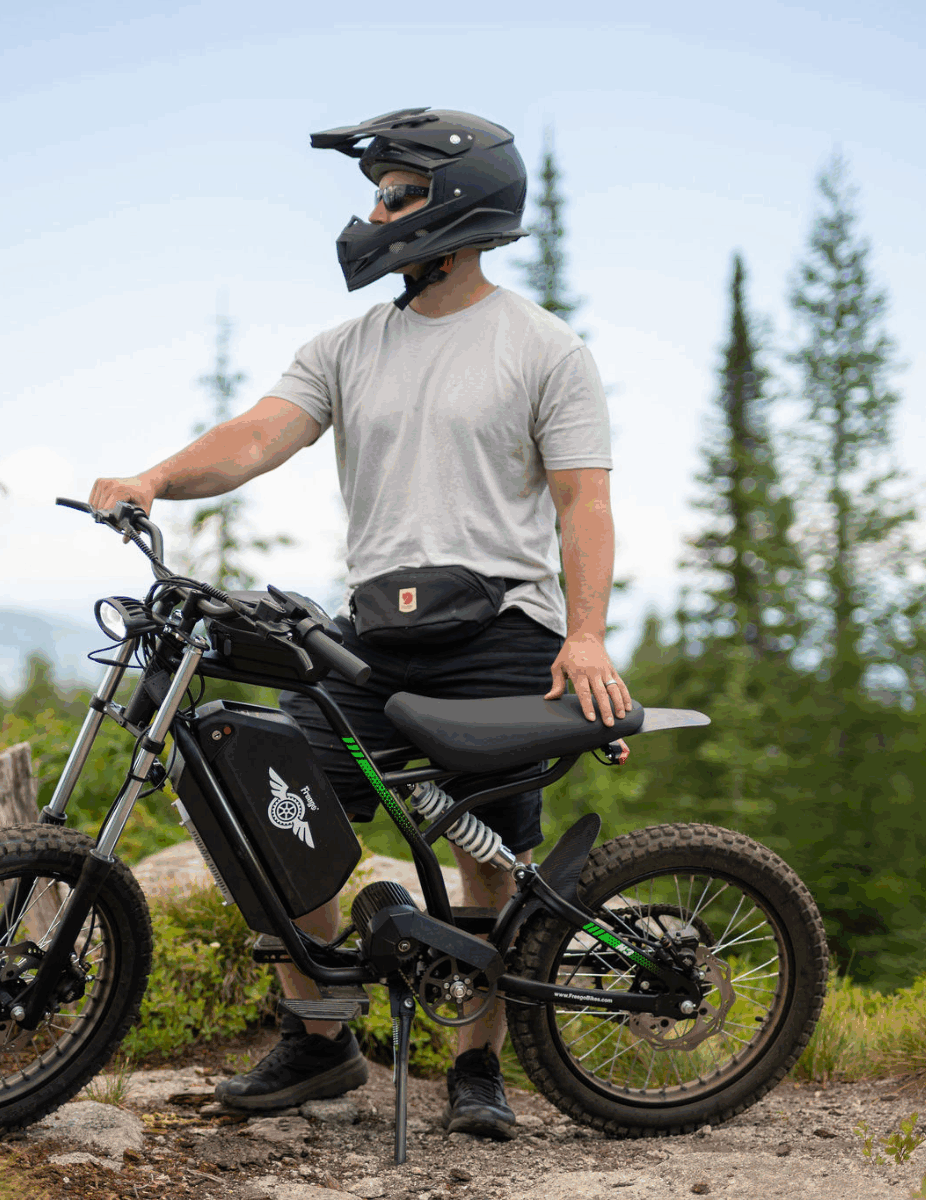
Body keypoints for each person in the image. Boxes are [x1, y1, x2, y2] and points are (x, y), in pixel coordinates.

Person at [88, 106, 632, 1140]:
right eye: (377, 194)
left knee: (487, 853)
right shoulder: (347, 347)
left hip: (505, 631)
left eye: (394, 193)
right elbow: (258, 437)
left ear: (456, 206)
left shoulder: (545, 349)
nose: (374, 213)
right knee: (276, 809)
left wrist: (587, 635)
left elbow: (583, 503)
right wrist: (155, 479)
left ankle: (477, 1069)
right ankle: (319, 1038)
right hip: (372, 639)